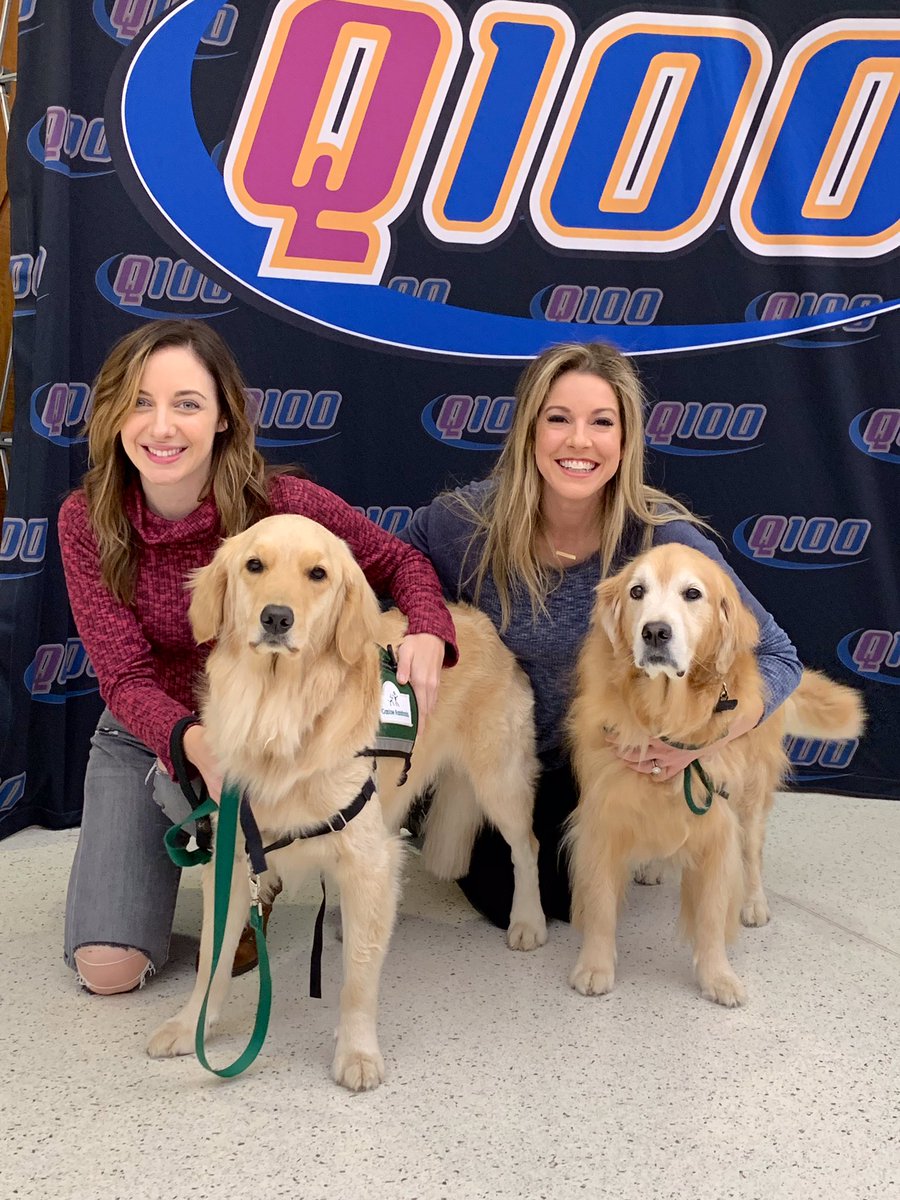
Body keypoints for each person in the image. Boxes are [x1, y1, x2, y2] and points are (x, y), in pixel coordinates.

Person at [59, 319, 457, 996]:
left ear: (222, 419)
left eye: (187, 403)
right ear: (113, 416)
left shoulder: (282, 504)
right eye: (140, 402)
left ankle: (257, 877)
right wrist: (195, 742)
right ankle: (233, 863)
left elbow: (398, 560)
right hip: (150, 733)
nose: (161, 426)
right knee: (108, 970)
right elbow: (123, 677)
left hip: (278, 731)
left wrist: (427, 626)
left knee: (277, 861)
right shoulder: (85, 520)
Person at [402, 341, 801, 929]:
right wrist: (427, 623)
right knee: (494, 890)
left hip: (588, 759)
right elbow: (398, 563)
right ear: (529, 432)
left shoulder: (664, 541)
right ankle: (432, 806)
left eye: (602, 422)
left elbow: (779, 657)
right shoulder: (466, 522)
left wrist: (705, 737)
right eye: (558, 419)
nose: (579, 441)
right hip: (488, 750)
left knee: (564, 897)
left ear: (626, 440)